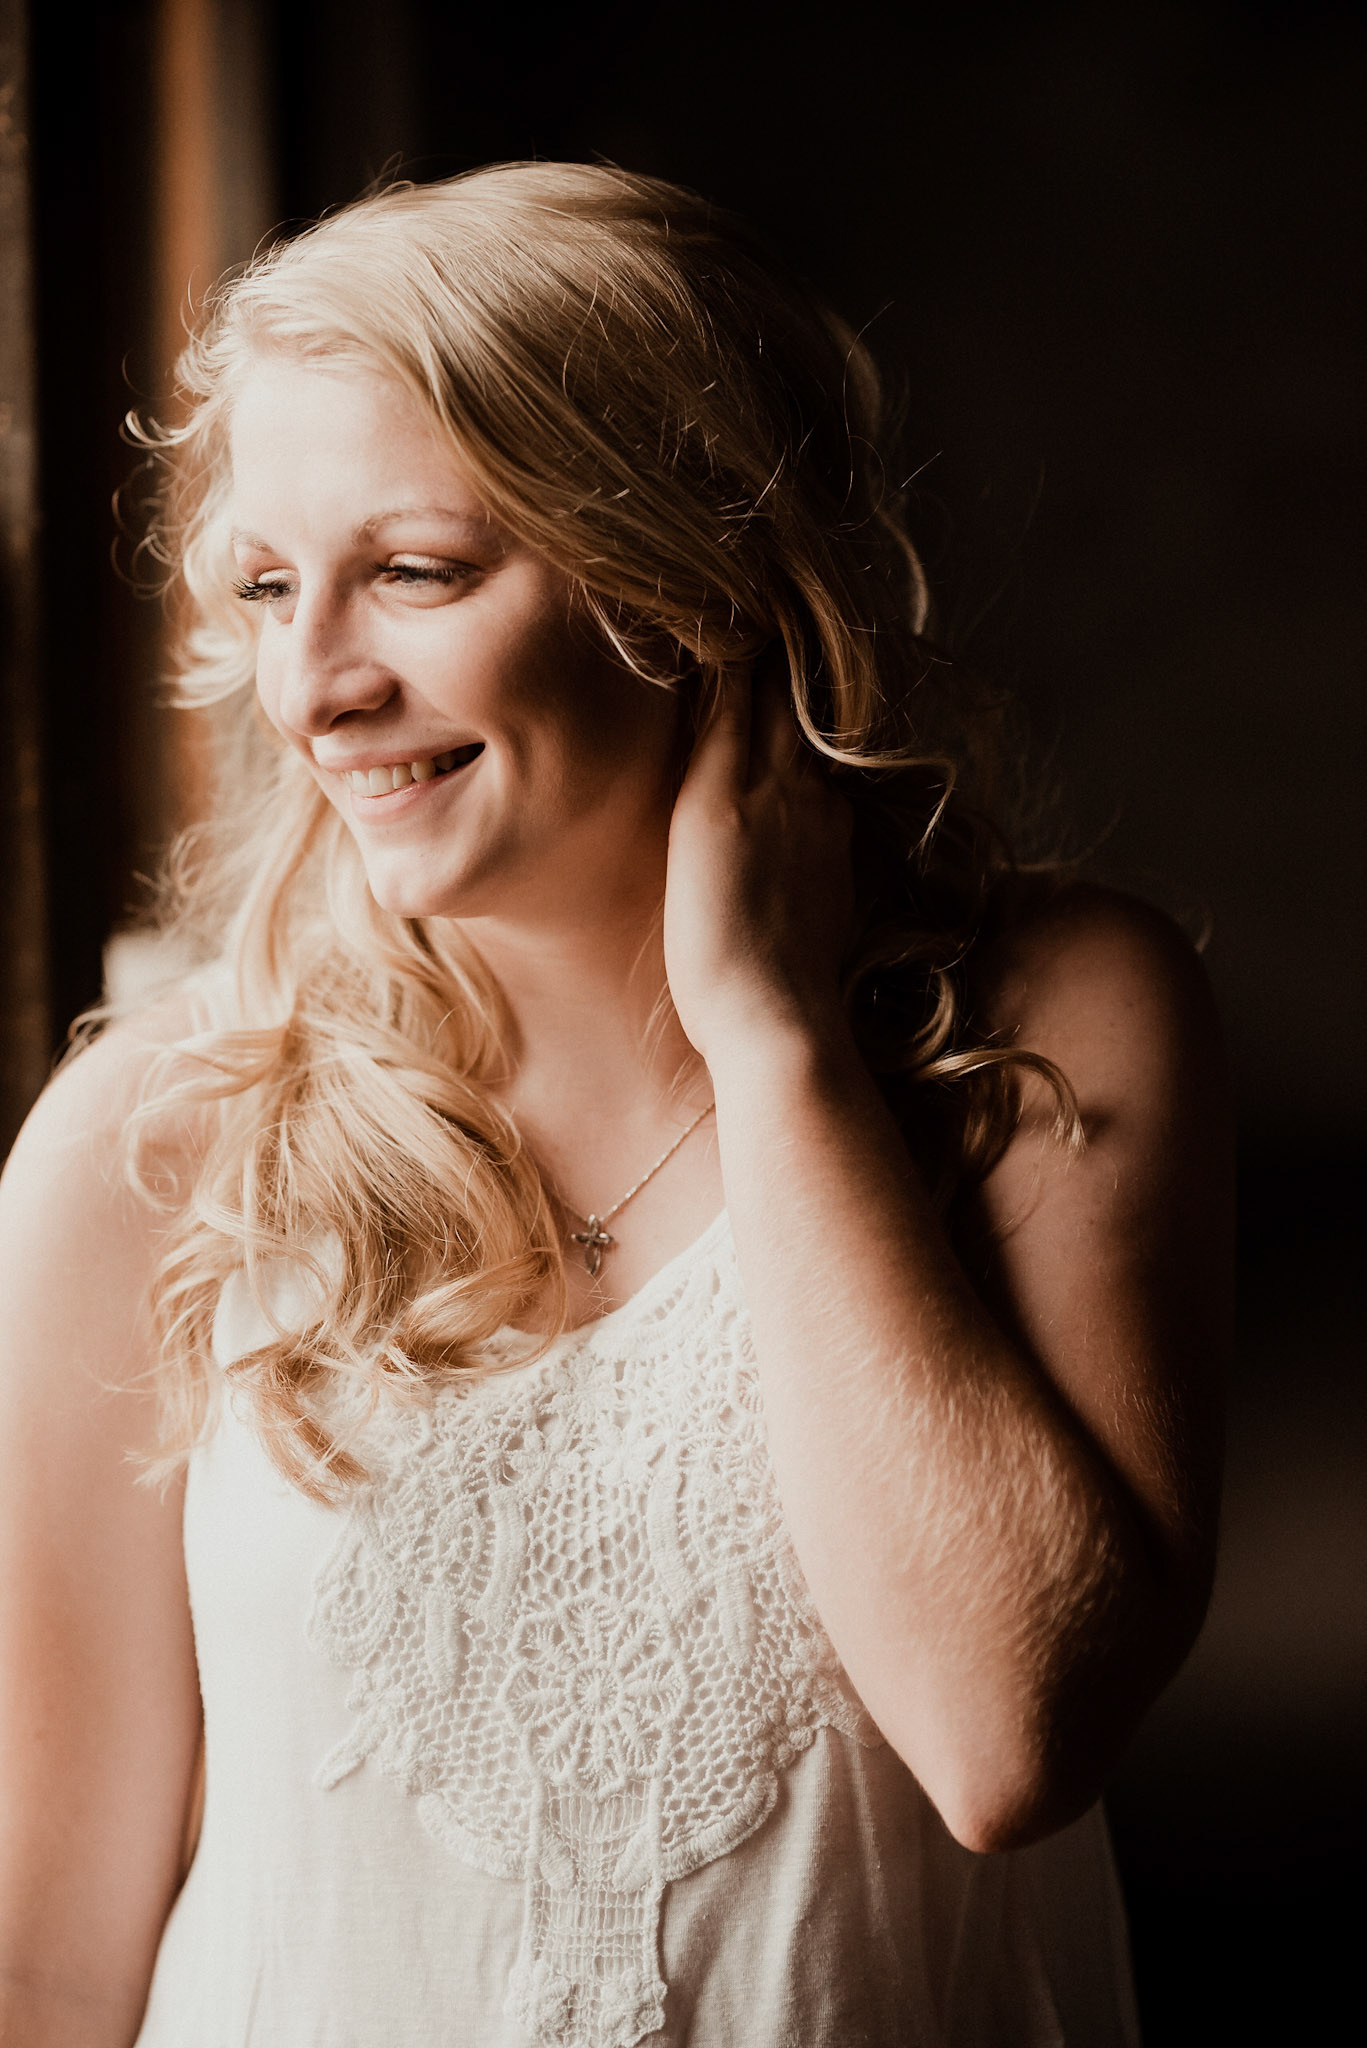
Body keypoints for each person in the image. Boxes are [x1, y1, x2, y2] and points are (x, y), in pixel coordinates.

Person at [0, 163, 1232, 2048]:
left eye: (416, 571)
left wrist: (775, 1037)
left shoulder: (1049, 1022)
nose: (313, 686)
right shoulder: (148, 1146)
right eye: (265, 587)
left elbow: (1008, 1737)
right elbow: (48, 1952)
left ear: (687, 578)